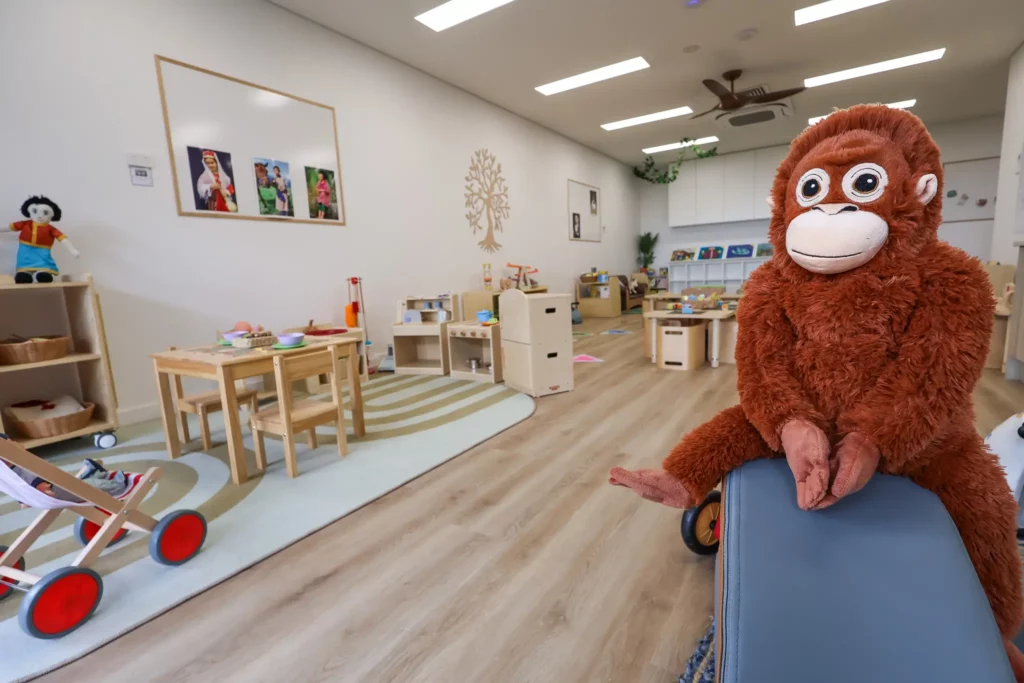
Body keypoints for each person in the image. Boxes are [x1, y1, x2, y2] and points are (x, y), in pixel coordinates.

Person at [6, 196, 79, 283]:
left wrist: (72, 250)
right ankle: (24, 273)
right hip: (25, 250)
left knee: (43, 266)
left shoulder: (51, 229)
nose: (40, 216)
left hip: (42, 252)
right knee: (24, 266)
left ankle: (42, 274)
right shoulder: (25, 224)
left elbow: (62, 239)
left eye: (45, 213)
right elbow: (9, 227)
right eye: (35, 212)